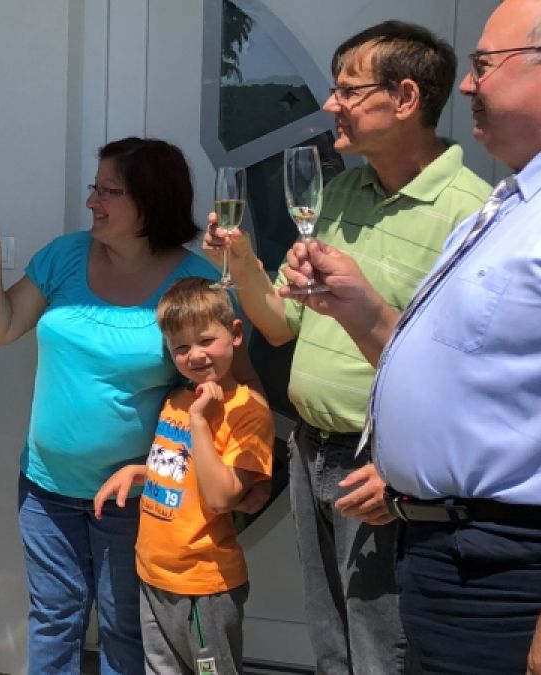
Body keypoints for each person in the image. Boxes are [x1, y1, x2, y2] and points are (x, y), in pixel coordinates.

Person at [280, 1, 541, 672]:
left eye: (484, 64)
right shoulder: (527, 199)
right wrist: (361, 311)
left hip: (527, 574)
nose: (466, 84)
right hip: (458, 562)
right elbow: (471, 374)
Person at [204, 20, 489, 674]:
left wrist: (406, 469)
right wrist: (242, 263)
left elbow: (472, 373)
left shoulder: (469, 212)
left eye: (349, 91)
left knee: (383, 651)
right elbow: (281, 326)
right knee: (332, 647)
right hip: (310, 449)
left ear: (406, 98)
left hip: (385, 466)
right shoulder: (335, 194)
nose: (331, 103)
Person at [0, 137, 250, 674]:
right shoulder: (65, 255)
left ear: (150, 201)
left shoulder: (194, 283)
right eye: (95, 188)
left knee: (126, 628)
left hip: (135, 496)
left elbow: (224, 390)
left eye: (108, 191)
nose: (92, 201)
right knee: (53, 621)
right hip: (45, 487)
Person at [93, 277, 273, 674]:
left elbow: (222, 497)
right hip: (154, 574)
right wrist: (140, 471)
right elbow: (186, 470)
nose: (195, 355)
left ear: (235, 333)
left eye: (206, 340)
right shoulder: (177, 399)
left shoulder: (247, 411)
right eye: (181, 347)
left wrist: (199, 421)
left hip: (203, 585)